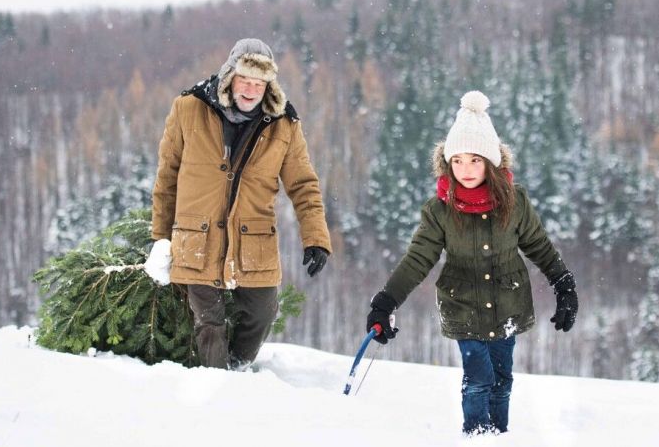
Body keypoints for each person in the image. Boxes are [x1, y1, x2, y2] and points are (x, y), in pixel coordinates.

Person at [365, 90, 578, 436]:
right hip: (463, 305)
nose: (465, 169)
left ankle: (499, 437)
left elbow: (538, 245)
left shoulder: (515, 202)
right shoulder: (440, 211)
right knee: (479, 378)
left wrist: (563, 285)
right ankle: (477, 436)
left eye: (475, 160)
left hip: (508, 304)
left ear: (491, 163)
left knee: (502, 379)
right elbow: (418, 258)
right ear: (447, 163)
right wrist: (386, 301)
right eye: (458, 161)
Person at [146, 38, 332, 370]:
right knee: (209, 322)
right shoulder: (188, 108)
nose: (250, 90)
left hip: (253, 242)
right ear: (229, 76)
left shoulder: (284, 125)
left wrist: (316, 238)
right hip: (197, 238)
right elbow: (167, 178)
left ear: (269, 85)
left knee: (263, 312)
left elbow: (304, 186)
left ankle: (237, 368)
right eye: (244, 79)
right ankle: (219, 383)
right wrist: (161, 238)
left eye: (259, 83)